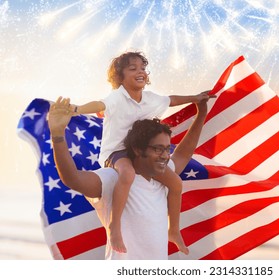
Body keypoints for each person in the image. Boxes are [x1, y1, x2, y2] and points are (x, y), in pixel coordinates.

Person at [66, 51, 214, 254]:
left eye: (143, 68)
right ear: (120, 76)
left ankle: (174, 230)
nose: (140, 72)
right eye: (132, 68)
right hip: (116, 152)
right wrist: (76, 109)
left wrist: (195, 98)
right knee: (127, 174)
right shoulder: (116, 98)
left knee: (176, 183)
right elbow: (98, 105)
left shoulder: (150, 99)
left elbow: (171, 100)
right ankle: (114, 226)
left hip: (138, 154)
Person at [48, 96, 209, 259]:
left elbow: (183, 154)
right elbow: (72, 179)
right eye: (158, 149)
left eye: (167, 149)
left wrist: (201, 114)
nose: (165, 156)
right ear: (138, 150)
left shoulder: (161, 177)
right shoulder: (113, 178)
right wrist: (58, 135)